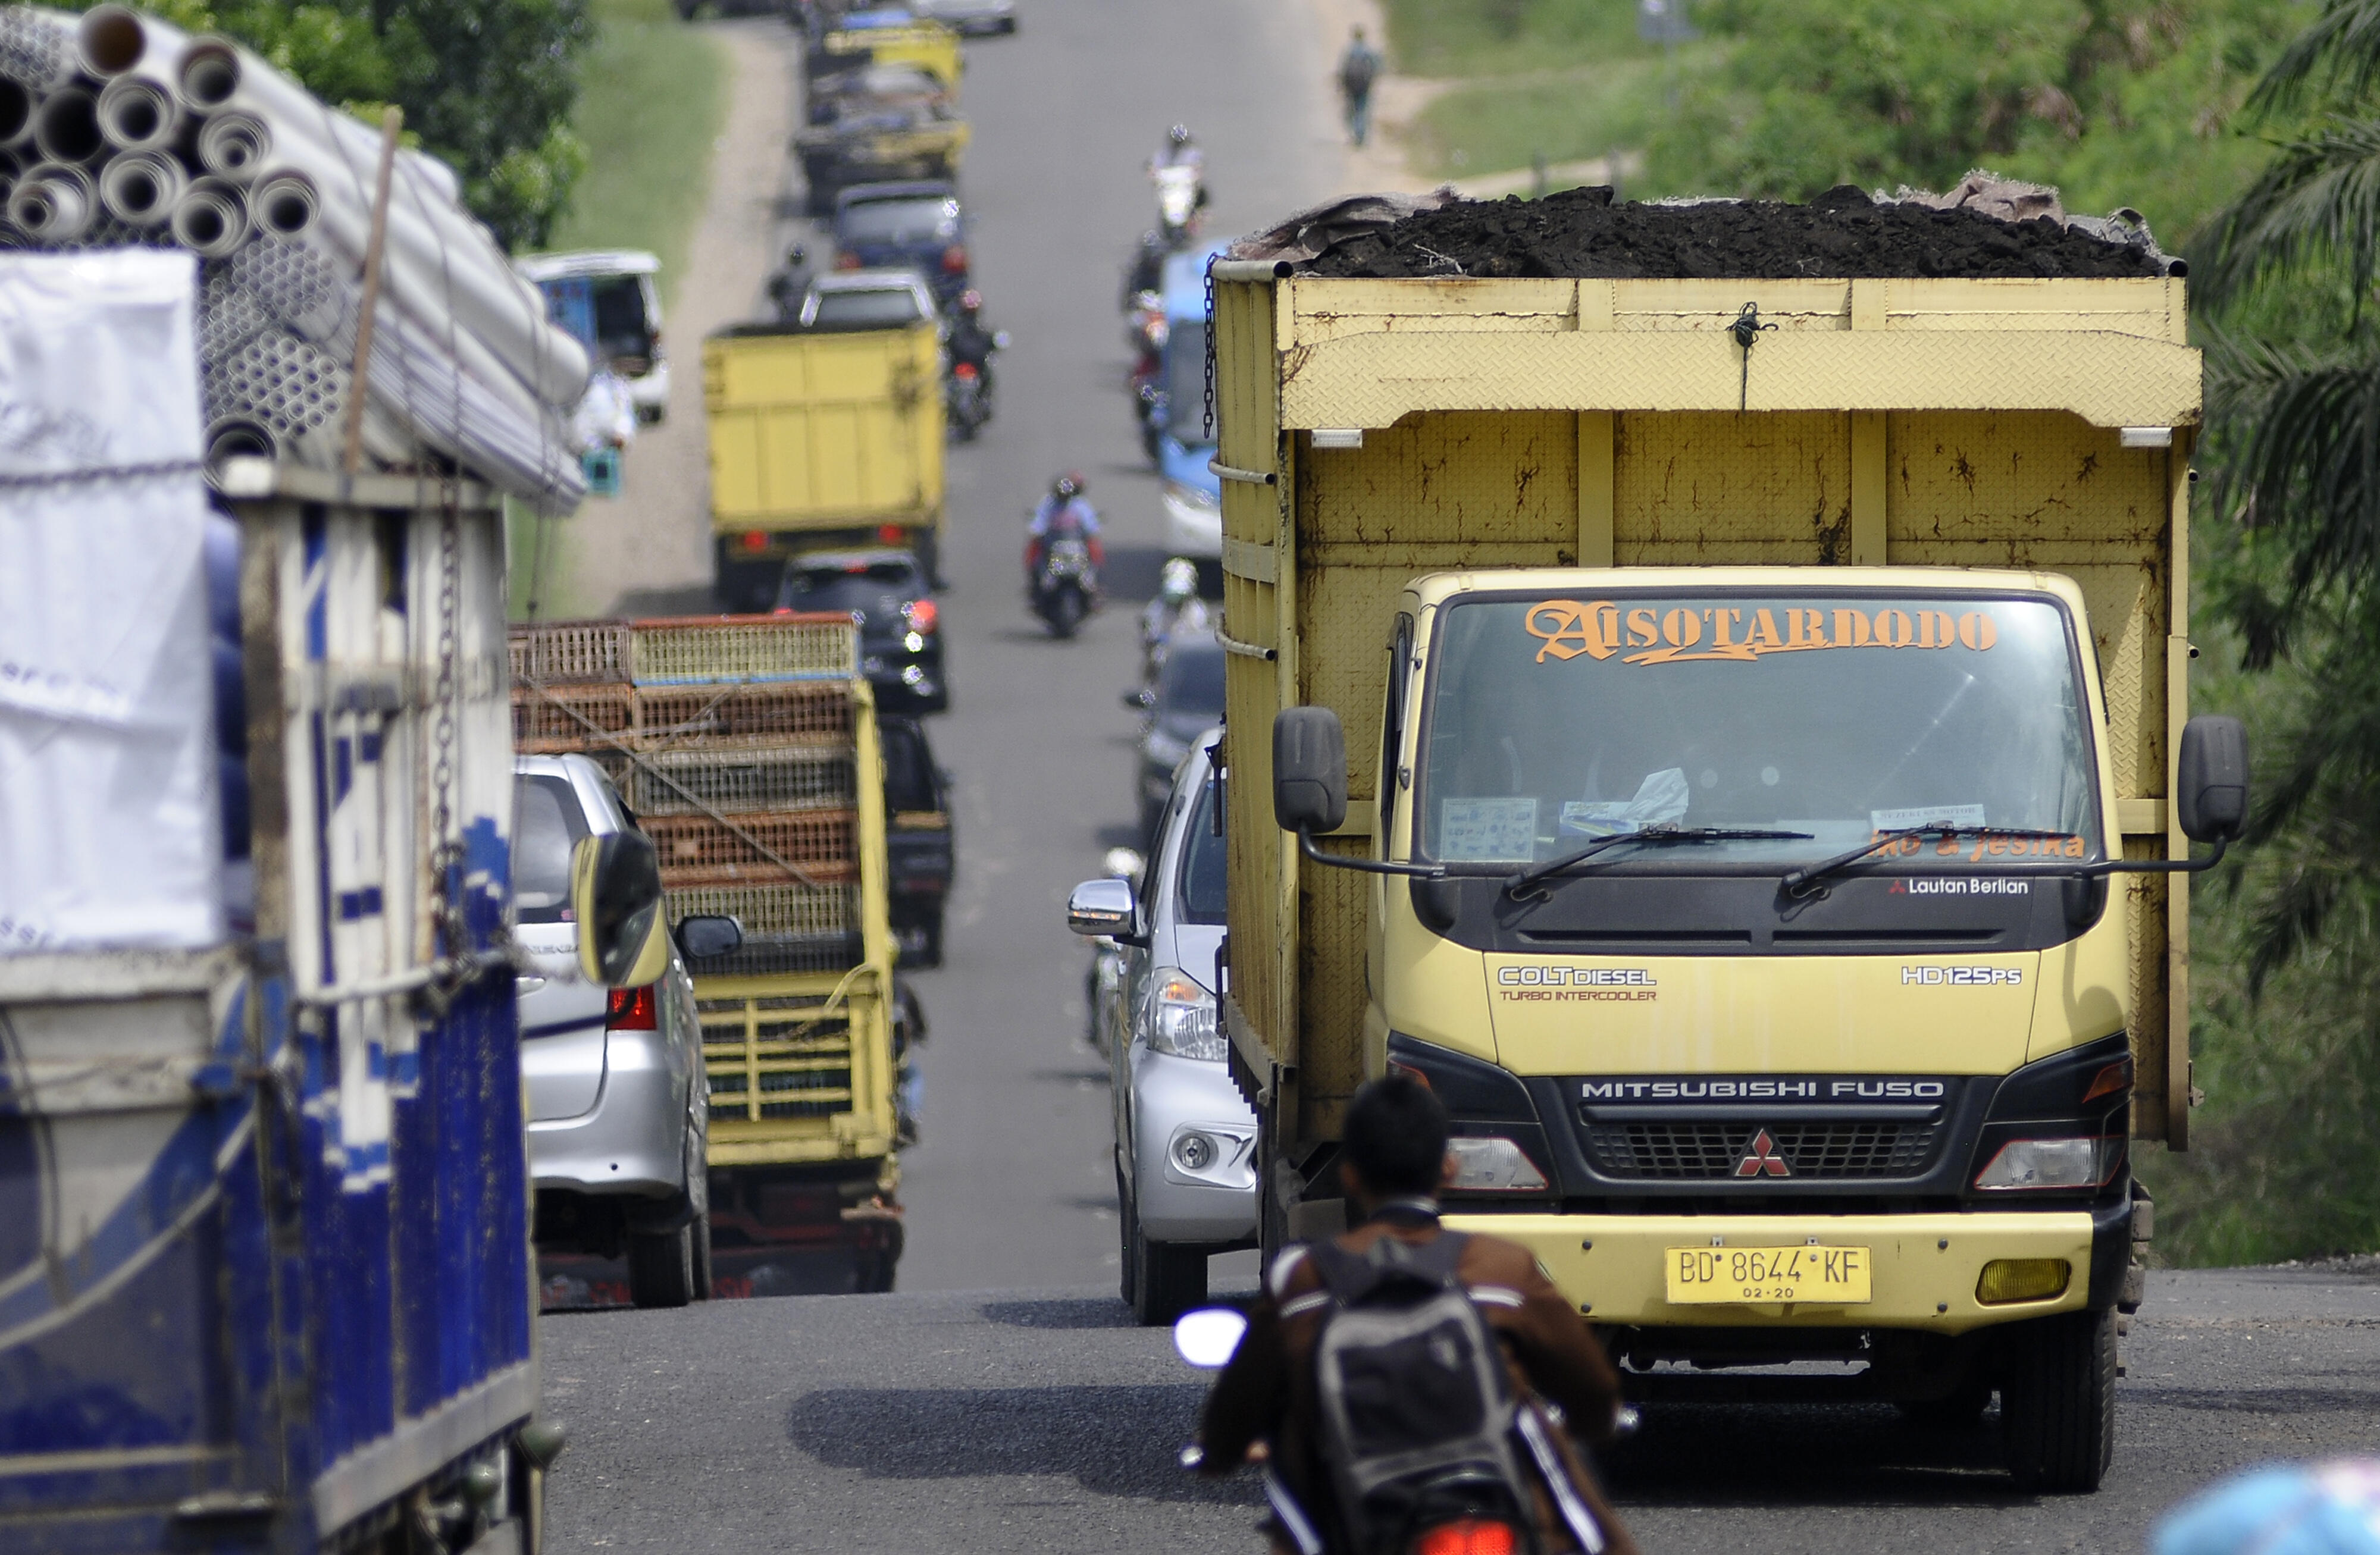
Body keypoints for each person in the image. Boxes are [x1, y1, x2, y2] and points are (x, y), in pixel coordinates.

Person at [1197, 1074, 1639, 1555]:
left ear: (1351, 1175)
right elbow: (1590, 1388)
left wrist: (1219, 1450)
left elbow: (1237, 1408)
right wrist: (1594, 1422)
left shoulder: (1303, 1281)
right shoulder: (1502, 1268)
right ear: (1448, 1168)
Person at [1026, 472, 1104, 587]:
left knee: (1094, 548)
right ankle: (1036, 585)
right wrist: (1036, 531)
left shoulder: (1080, 505)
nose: (1064, 500)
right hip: (1053, 546)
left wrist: (1092, 532)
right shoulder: (1048, 504)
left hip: (1076, 548)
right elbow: (1039, 522)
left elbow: (1091, 525)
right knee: (1036, 549)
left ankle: (1094, 584)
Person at [1141, 556, 1212, 679]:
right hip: (1163, 654)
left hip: (1189, 658)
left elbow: (1202, 632)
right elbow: (1149, 630)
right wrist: (1153, 638)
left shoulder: (1197, 610)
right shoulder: (1157, 607)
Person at [947, 289, 998, 394]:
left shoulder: (979, 332)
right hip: (960, 365)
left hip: (976, 366)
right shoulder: (955, 331)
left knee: (987, 379)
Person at [1338, 26, 1382, 149]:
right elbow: (1377, 67)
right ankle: (1360, 136)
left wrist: (1341, 85)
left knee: (1350, 109)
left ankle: (1354, 134)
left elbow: (1342, 69)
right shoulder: (1369, 51)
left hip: (1350, 84)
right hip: (1364, 83)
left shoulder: (1349, 51)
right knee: (1362, 109)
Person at [766, 243, 814, 323]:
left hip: (804, 315)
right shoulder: (783, 278)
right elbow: (773, 291)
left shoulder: (809, 278)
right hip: (787, 315)